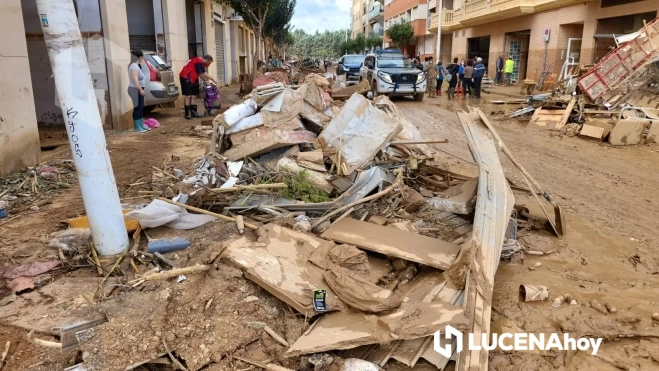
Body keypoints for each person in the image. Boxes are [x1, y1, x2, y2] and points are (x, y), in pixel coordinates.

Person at [179, 55, 216, 119]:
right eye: (209, 63)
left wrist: (213, 79)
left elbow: (204, 73)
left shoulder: (200, 62)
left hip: (192, 78)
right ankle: (187, 114)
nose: (209, 64)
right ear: (207, 60)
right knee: (188, 96)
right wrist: (206, 82)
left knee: (194, 95)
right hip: (186, 77)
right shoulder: (198, 61)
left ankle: (193, 113)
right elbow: (201, 74)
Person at [128, 50, 148, 133]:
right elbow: (135, 79)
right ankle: (137, 126)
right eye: (142, 57)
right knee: (137, 107)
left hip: (139, 88)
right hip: (135, 89)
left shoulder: (136, 65)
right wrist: (140, 89)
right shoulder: (133, 66)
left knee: (140, 107)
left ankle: (141, 124)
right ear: (139, 57)